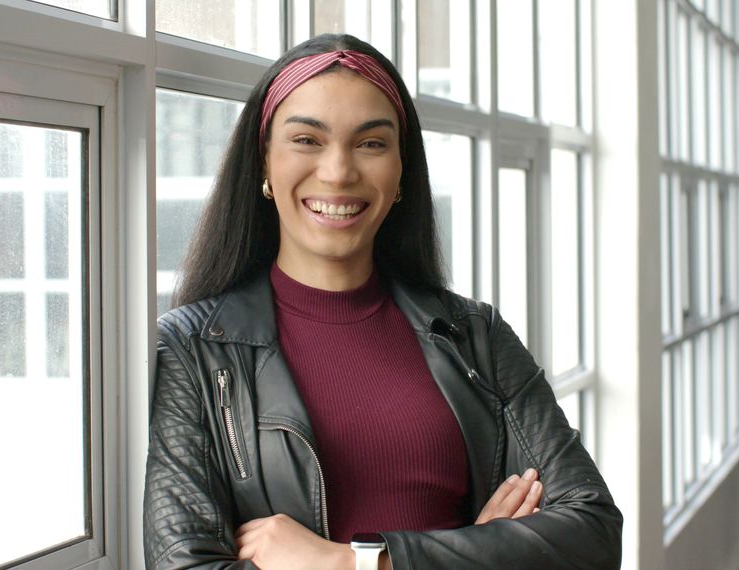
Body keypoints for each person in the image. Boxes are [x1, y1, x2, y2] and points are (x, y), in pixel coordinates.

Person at [143, 33, 622, 570]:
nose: (339, 171)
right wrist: (474, 551)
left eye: (371, 143)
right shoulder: (193, 349)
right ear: (263, 165)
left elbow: (594, 532)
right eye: (307, 140)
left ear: (400, 174)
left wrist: (356, 563)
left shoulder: (473, 334)